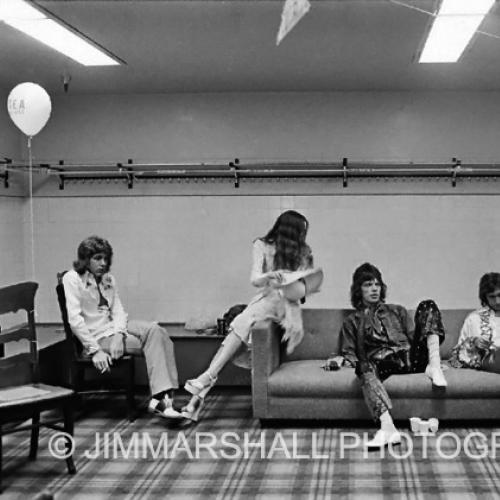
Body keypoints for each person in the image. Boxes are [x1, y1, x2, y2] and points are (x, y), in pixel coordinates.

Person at [181, 210, 321, 422]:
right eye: (299, 232)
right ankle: (199, 395)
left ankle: (205, 381)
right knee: (244, 330)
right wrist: (269, 276)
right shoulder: (262, 245)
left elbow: (304, 290)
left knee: (242, 322)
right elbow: (255, 278)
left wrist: (292, 281)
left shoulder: (303, 251)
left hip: (286, 308)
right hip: (265, 302)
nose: (302, 238)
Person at [327, 263, 447, 448]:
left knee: (428, 305)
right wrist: (338, 359)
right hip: (385, 362)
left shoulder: (397, 310)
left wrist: (429, 355)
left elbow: (417, 336)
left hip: (411, 357)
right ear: (358, 290)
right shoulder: (352, 321)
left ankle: (435, 365)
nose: (374, 288)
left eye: (377, 284)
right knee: (363, 366)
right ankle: (388, 428)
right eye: (368, 284)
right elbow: (350, 353)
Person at [63, 236, 181, 419]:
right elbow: (75, 321)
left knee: (157, 330)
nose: (103, 263)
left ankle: (163, 399)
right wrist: (95, 351)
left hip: (113, 329)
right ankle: (164, 400)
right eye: (97, 258)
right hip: (98, 336)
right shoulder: (72, 279)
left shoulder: (108, 279)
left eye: (106, 258)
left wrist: (119, 335)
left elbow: (118, 311)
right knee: (156, 342)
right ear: (85, 259)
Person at [449, 272, 500, 372]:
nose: (498, 301)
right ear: (485, 297)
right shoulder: (474, 319)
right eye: (492, 297)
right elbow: (458, 354)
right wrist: (474, 343)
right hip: (488, 359)